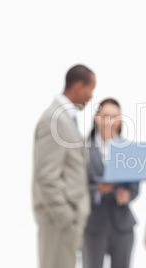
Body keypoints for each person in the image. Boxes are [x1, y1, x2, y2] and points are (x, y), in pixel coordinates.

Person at [32, 64, 96, 268]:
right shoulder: (55, 118)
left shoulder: (65, 117)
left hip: (65, 223)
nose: (91, 96)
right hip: (58, 222)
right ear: (79, 86)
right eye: (90, 89)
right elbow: (47, 176)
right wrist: (66, 218)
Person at [82, 98, 139, 268]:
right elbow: (77, 187)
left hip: (122, 225)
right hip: (94, 224)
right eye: (106, 116)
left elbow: (134, 188)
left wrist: (126, 195)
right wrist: (97, 190)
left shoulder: (129, 149)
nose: (110, 121)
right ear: (96, 118)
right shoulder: (83, 149)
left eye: (115, 117)